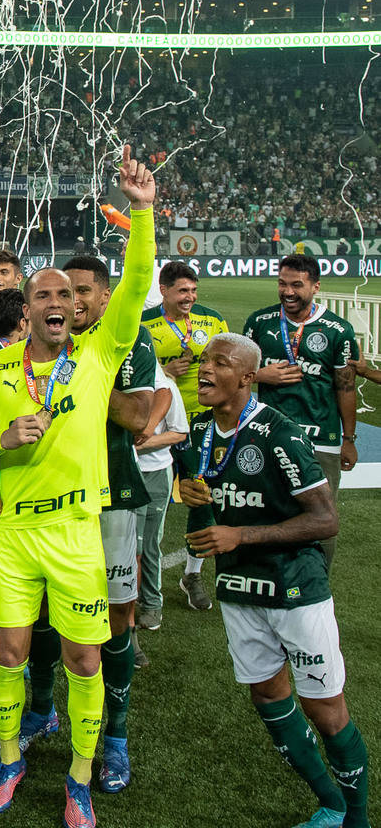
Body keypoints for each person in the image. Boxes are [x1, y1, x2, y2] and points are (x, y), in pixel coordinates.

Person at [0, 146, 155, 828]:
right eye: (42, 293)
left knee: (81, 656)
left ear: (76, 310)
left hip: (76, 531)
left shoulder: (99, 355)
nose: (54, 301)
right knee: (10, 651)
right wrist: (3, 441)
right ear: (26, 308)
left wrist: (142, 213)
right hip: (14, 530)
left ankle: (78, 778)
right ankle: (11, 757)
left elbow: (133, 289)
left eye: (64, 295)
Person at [176, 333, 369, 828]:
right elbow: (206, 511)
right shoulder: (200, 432)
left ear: (246, 377)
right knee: (267, 696)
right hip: (239, 591)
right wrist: (194, 497)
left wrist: (240, 534)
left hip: (295, 590)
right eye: (203, 361)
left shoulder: (278, 432)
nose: (204, 370)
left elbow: (326, 520)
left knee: (324, 708)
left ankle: (358, 819)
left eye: (219, 363)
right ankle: (331, 804)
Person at [19, 255, 155, 793]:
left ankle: (115, 737)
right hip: (50, 500)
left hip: (114, 494)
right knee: (46, 611)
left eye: (79, 293)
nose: (68, 304)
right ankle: (42, 707)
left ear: (102, 297)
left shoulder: (124, 343)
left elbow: (138, 417)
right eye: (58, 294)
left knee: (116, 618)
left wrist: (83, 377)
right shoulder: (37, 349)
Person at [243, 254, 359, 566]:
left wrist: (349, 439)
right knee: (263, 511)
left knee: (321, 519)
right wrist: (260, 376)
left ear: (316, 286)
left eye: (297, 285)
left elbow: (345, 388)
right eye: (282, 283)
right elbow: (235, 376)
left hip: (321, 439)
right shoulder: (259, 322)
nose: (288, 291)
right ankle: (267, 577)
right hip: (267, 435)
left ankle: (316, 585)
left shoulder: (338, 330)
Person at [141, 259, 227, 611]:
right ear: (163, 290)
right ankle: (135, 576)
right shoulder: (144, 324)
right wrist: (163, 370)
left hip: (203, 423)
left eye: (193, 290)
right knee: (144, 504)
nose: (190, 296)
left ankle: (192, 573)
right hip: (155, 423)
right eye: (182, 290)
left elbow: (228, 362)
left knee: (201, 496)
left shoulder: (212, 319)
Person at [131, 353, 187, 647]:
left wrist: (141, 444)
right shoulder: (123, 385)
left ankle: (151, 603)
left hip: (155, 474)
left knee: (149, 544)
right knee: (129, 547)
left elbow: (179, 432)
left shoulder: (167, 388)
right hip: (123, 474)